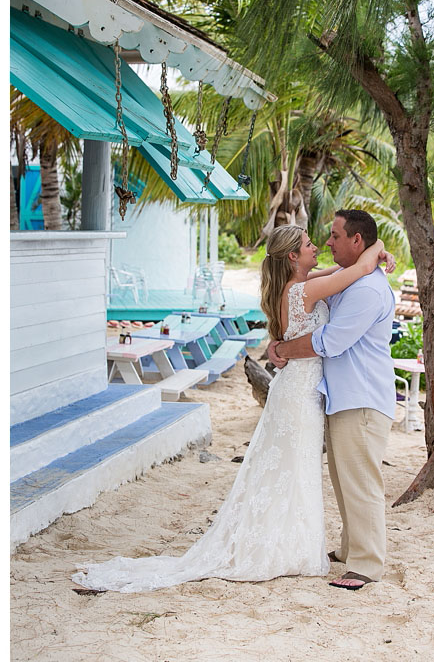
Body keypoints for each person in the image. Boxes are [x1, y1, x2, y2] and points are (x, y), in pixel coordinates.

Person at [72, 224, 394, 592]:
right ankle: (289, 546)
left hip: (303, 390)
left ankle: (297, 543)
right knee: (292, 467)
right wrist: (377, 248)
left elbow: (347, 269)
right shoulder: (304, 290)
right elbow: (358, 269)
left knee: (295, 468)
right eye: (309, 244)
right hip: (299, 393)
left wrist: (376, 247)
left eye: (327, 239)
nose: (319, 246)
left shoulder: (302, 284)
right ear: (293, 256)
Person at [268, 210, 396, 591]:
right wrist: (376, 249)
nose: (327, 242)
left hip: (361, 398)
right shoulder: (349, 277)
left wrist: (282, 349)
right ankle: (350, 549)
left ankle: (367, 564)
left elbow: (331, 341)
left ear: (357, 241)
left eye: (335, 235)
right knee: (345, 481)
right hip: (342, 397)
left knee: (362, 482)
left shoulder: (367, 290)